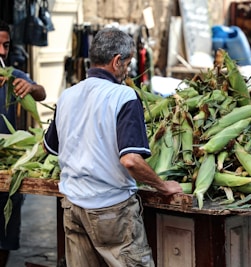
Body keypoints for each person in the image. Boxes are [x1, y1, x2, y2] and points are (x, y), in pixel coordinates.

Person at [43, 27, 182, 267]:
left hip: (73, 207)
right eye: (127, 63)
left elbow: (49, 147)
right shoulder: (123, 96)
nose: (127, 70)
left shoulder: (67, 95)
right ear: (117, 61)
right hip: (110, 211)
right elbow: (130, 160)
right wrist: (162, 186)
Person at [0, 20, 46, 266]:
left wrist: (30, 87)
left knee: (5, 231)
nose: (2, 52)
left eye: (5, 45)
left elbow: (42, 93)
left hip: (7, 162)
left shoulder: (11, 75)